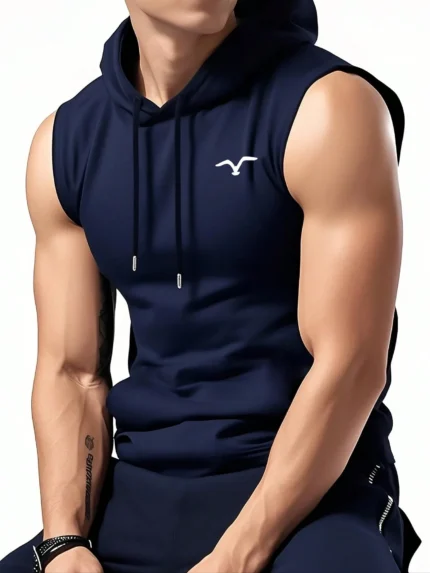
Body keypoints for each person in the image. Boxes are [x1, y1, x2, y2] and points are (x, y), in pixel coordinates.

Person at [0, 0, 422, 572]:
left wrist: (235, 557)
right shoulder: (68, 142)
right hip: (142, 495)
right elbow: (72, 372)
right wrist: (65, 543)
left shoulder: (327, 107)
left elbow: (349, 365)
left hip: (313, 502)